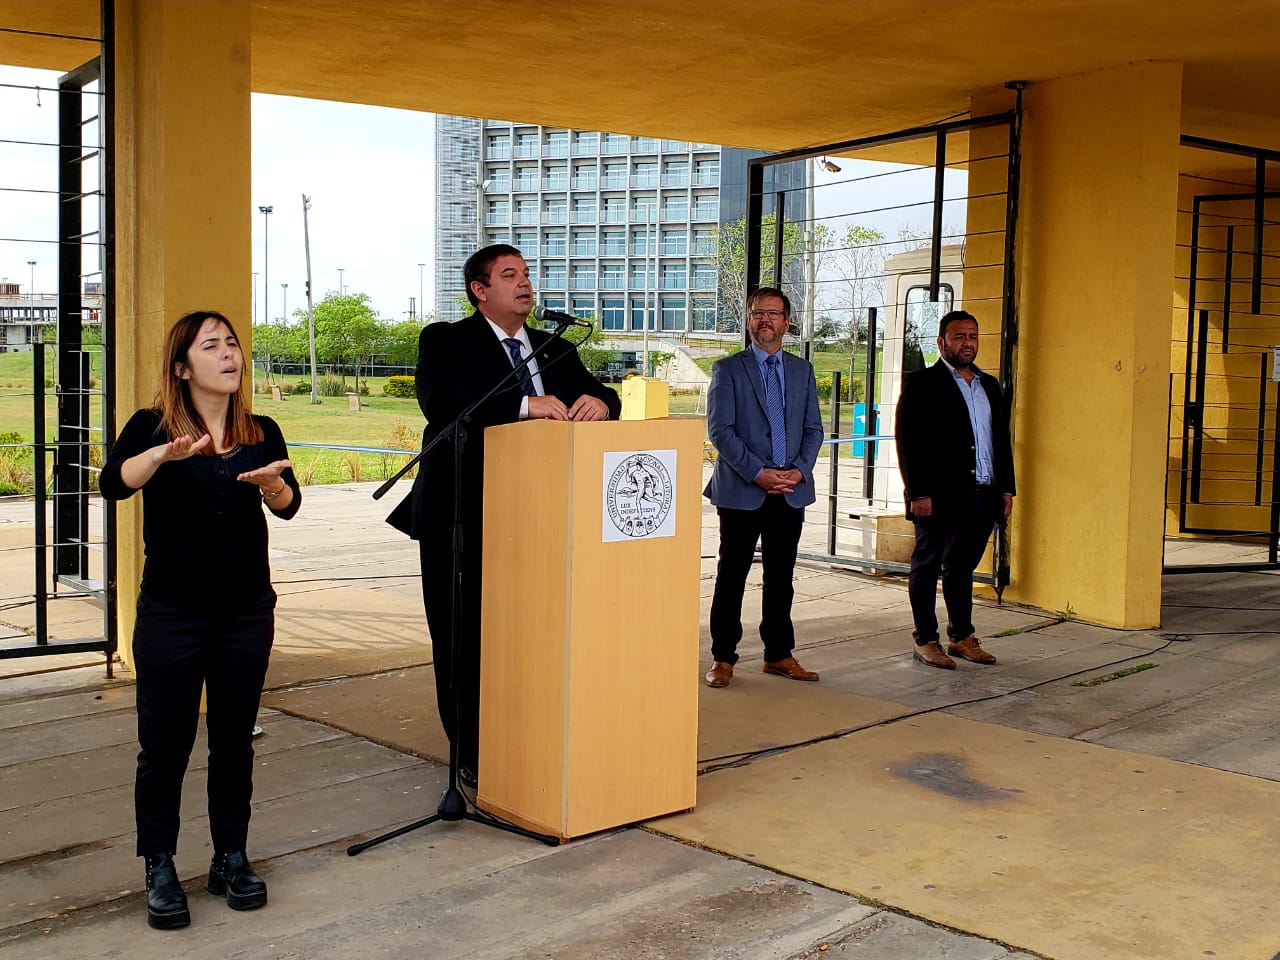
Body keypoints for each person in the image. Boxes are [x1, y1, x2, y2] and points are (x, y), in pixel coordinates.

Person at [100, 310, 300, 929]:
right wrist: (159, 456)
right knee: (164, 745)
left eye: (232, 343)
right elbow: (114, 484)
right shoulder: (152, 426)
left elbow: (288, 504)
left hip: (245, 613)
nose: (228, 354)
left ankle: (230, 857)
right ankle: (159, 863)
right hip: (172, 615)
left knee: (233, 741)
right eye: (211, 346)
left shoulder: (261, 430)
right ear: (183, 368)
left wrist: (270, 486)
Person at [394, 244, 621, 787]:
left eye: (527, 274)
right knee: (463, 638)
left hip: (538, 521)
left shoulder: (553, 347)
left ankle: (525, 739)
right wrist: (525, 405)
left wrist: (603, 404)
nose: (525, 283)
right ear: (480, 290)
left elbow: (599, 391)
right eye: (510, 275)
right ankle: (471, 751)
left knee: (525, 638)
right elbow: (444, 404)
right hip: (461, 515)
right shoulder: (445, 340)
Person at [703, 287, 824, 689]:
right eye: (758, 313)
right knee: (732, 575)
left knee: (781, 577)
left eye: (773, 313)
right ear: (749, 320)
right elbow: (721, 431)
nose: (765, 319)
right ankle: (723, 657)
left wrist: (799, 471)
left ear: (787, 323)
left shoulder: (802, 371)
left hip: (789, 490)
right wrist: (758, 473)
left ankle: (778, 654)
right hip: (743, 490)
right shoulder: (728, 369)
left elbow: (813, 429)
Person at [895, 309, 1015, 669]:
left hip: (983, 494)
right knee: (927, 566)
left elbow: (1000, 440)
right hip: (938, 497)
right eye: (959, 336)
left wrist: (1006, 488)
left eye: (972, 336)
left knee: (962, 568)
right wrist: (918, 493)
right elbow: (909, 441)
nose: (967, 343)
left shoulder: (989, 385)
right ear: (942, 342)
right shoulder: (922, 383)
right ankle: (925, 639)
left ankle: (961, 636)